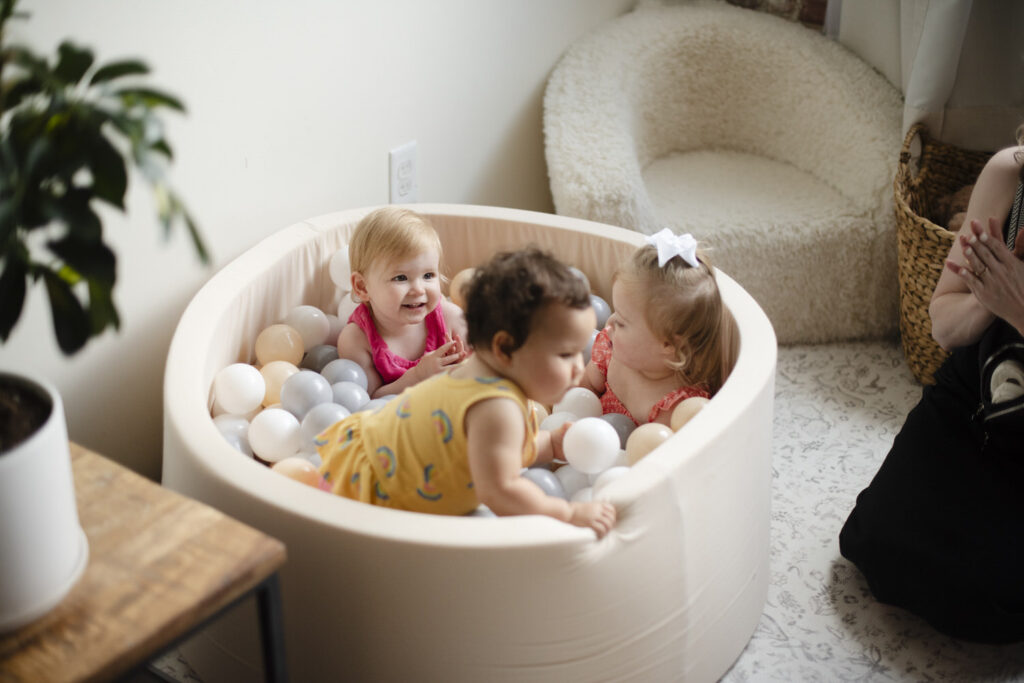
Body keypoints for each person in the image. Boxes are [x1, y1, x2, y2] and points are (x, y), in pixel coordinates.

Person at [839, 133, 1024, 643]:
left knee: (993, 600)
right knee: (876, 541)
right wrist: (991, 299)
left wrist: (1020, 310)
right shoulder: (1009, 173)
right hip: (970, 398)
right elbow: (942, 322)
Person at [317, 247, 618, 538]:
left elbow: (492, 450)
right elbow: (500, 489)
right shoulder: (496, 407)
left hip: (366, 456)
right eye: (565, 355)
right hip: (373, 500)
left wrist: (549, 443)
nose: (580, 366)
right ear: (504, 348)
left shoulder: (482, 369)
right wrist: (566, 514)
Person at [579, 229, 736, 426]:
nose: (609, 323)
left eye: (622, 321)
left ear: (668, 344)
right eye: (615, 312)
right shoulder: (610, 352)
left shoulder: (674, 408)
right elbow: (580, 394)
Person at [337, 207, 469, 399]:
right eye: (400, 278)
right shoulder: (357, 340)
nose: (419, 289)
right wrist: (418, 375)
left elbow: (485, 369)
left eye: (428, 275)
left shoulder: (452, 320)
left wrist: (466, 367)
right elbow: (369, 400)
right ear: (362, 287)